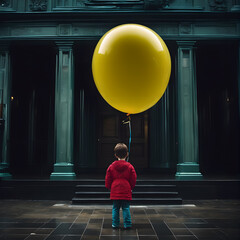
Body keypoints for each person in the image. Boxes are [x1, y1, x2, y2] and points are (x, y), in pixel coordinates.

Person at [105, 143, 137, 229]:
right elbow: (133, 178)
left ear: (115, 155)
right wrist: (131, 187)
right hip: (126, 188)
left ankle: (115, 224)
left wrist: (109, 187)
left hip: (115, 189)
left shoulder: (111, 166)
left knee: (115, 208)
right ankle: (127, 224)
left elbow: (108, 178)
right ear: (127, 154)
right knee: (126, 208)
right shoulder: (130, 166)